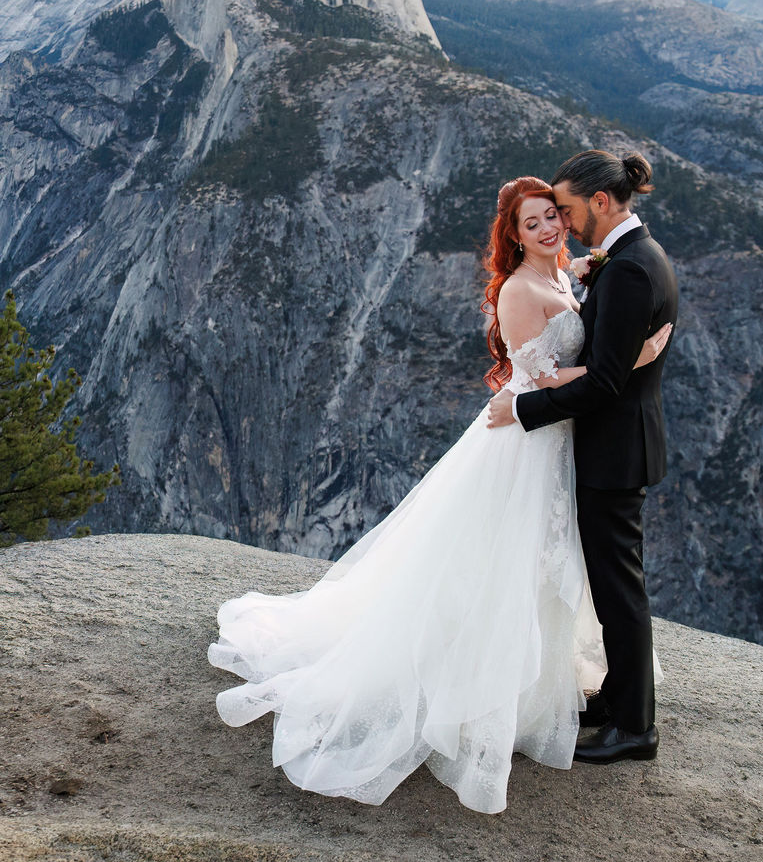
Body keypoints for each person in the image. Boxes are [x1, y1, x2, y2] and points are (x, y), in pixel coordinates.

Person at [209, 175, 670, 813]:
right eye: (532, 222)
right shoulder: (517, 290)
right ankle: (478, 691)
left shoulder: (569, 276)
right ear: (512, 234)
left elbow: (576, 325)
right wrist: (630, 362)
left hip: (562, 442)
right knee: (502, 566)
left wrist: (588, 282)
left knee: (546, 567)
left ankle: (538, 692)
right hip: (528, 442)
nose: (547, 228)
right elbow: (536, 375)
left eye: (552, 217)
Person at [486, 149, 677, 765]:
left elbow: (602, 383)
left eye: (563, 211)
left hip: (612, 451)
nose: (560, 226)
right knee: (610, 584)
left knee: (618, 591)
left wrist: (521, 411)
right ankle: (619, 701)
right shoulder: (627, 260)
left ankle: (635, 729)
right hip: (608, 446)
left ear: (599, 202)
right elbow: (607, 365)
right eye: (542, 219)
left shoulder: (625, 269)